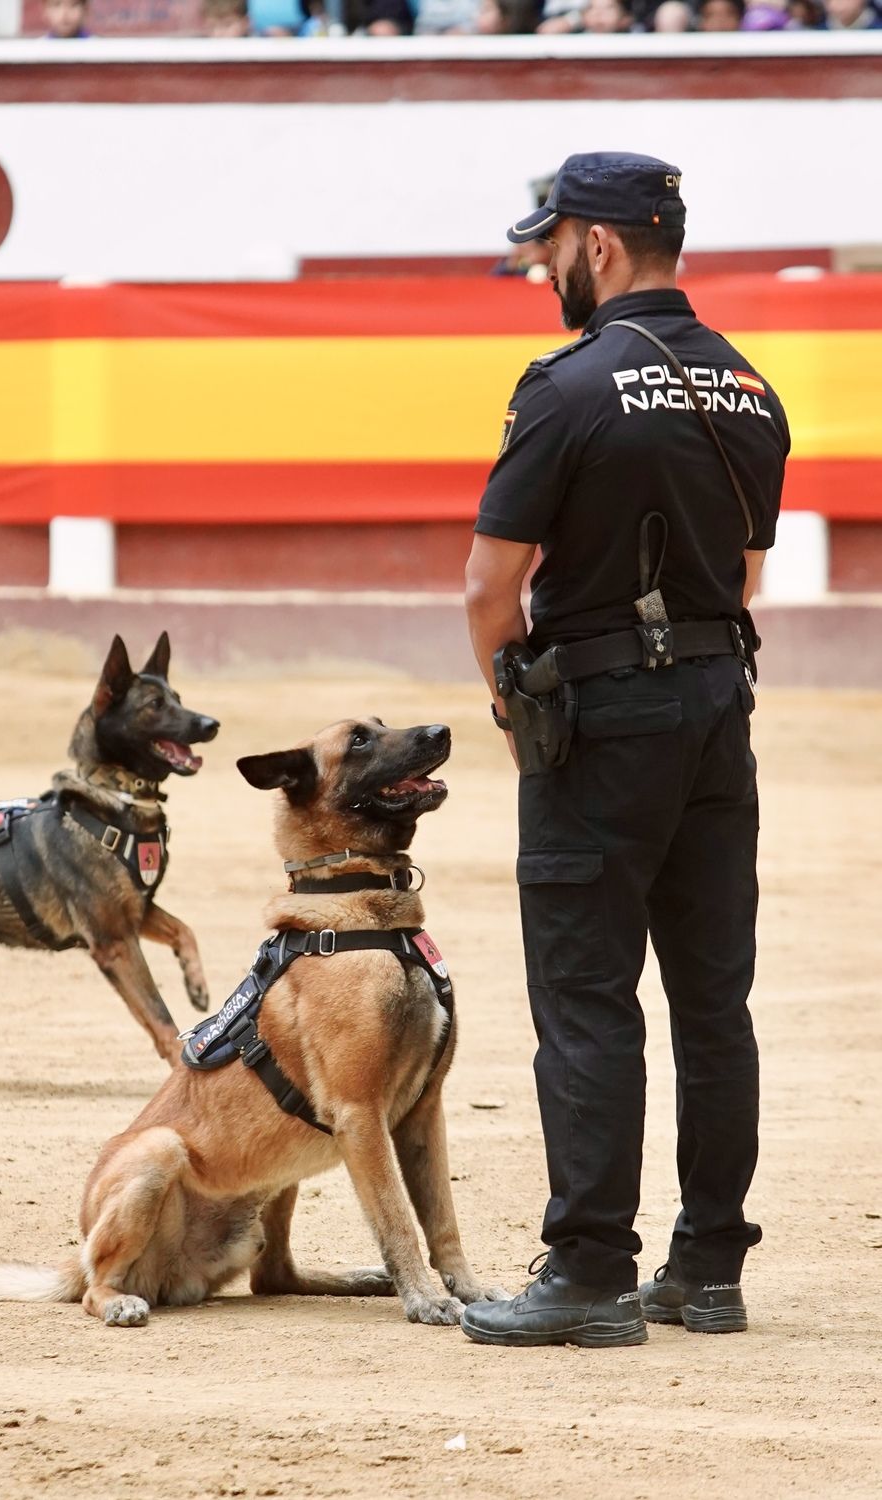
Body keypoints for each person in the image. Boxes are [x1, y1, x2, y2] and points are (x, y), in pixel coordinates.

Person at [461, 152, 790, 1349]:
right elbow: (748, 576)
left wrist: (516, 712)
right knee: (714, 1000)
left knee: (588, 994)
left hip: (604, 713)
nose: (543, 265)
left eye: (550, 246)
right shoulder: (752, 387)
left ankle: (591, 1268)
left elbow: (490, 587)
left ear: (596, 246)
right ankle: (707, 1268)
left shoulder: (566, 385)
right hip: (718, 704)